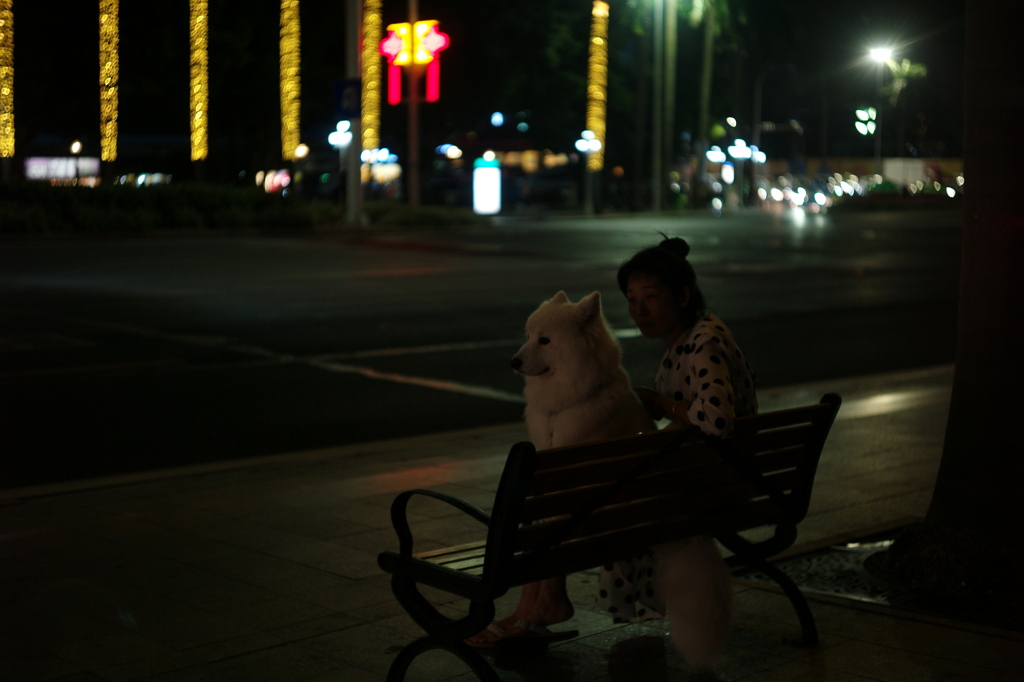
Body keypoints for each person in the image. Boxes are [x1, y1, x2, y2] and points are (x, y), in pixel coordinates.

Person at [596, 235, 757, 628]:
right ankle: (634, 604)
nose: (639, 310)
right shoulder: (688, 338)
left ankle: (628, 603)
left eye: (650, 297)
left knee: (604, 497)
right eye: (631, 299)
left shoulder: (704, 341)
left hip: (721, 482)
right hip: (718, 473)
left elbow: (717, 420)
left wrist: (657, 404)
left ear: (682, 297)